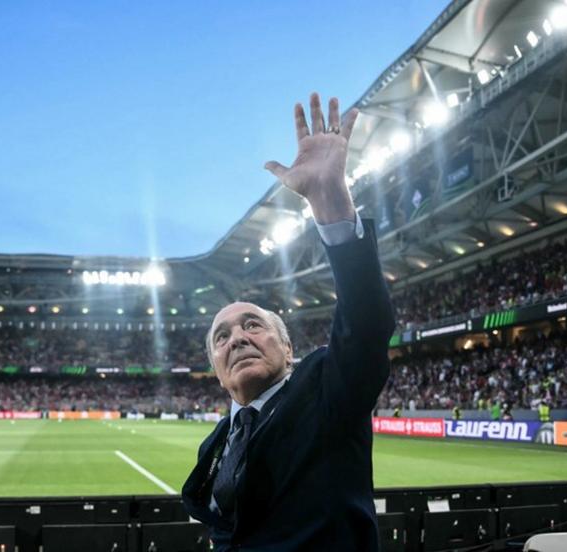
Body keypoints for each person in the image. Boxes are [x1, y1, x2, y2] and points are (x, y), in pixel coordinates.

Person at [181, 93, 395, 551]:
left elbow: (366, 323)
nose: (237, 338)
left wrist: (330, 202)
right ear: (216, 369)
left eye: (253, 325)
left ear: (289, 349)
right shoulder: (216, 444)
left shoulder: (326, 389)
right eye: (222, 337)